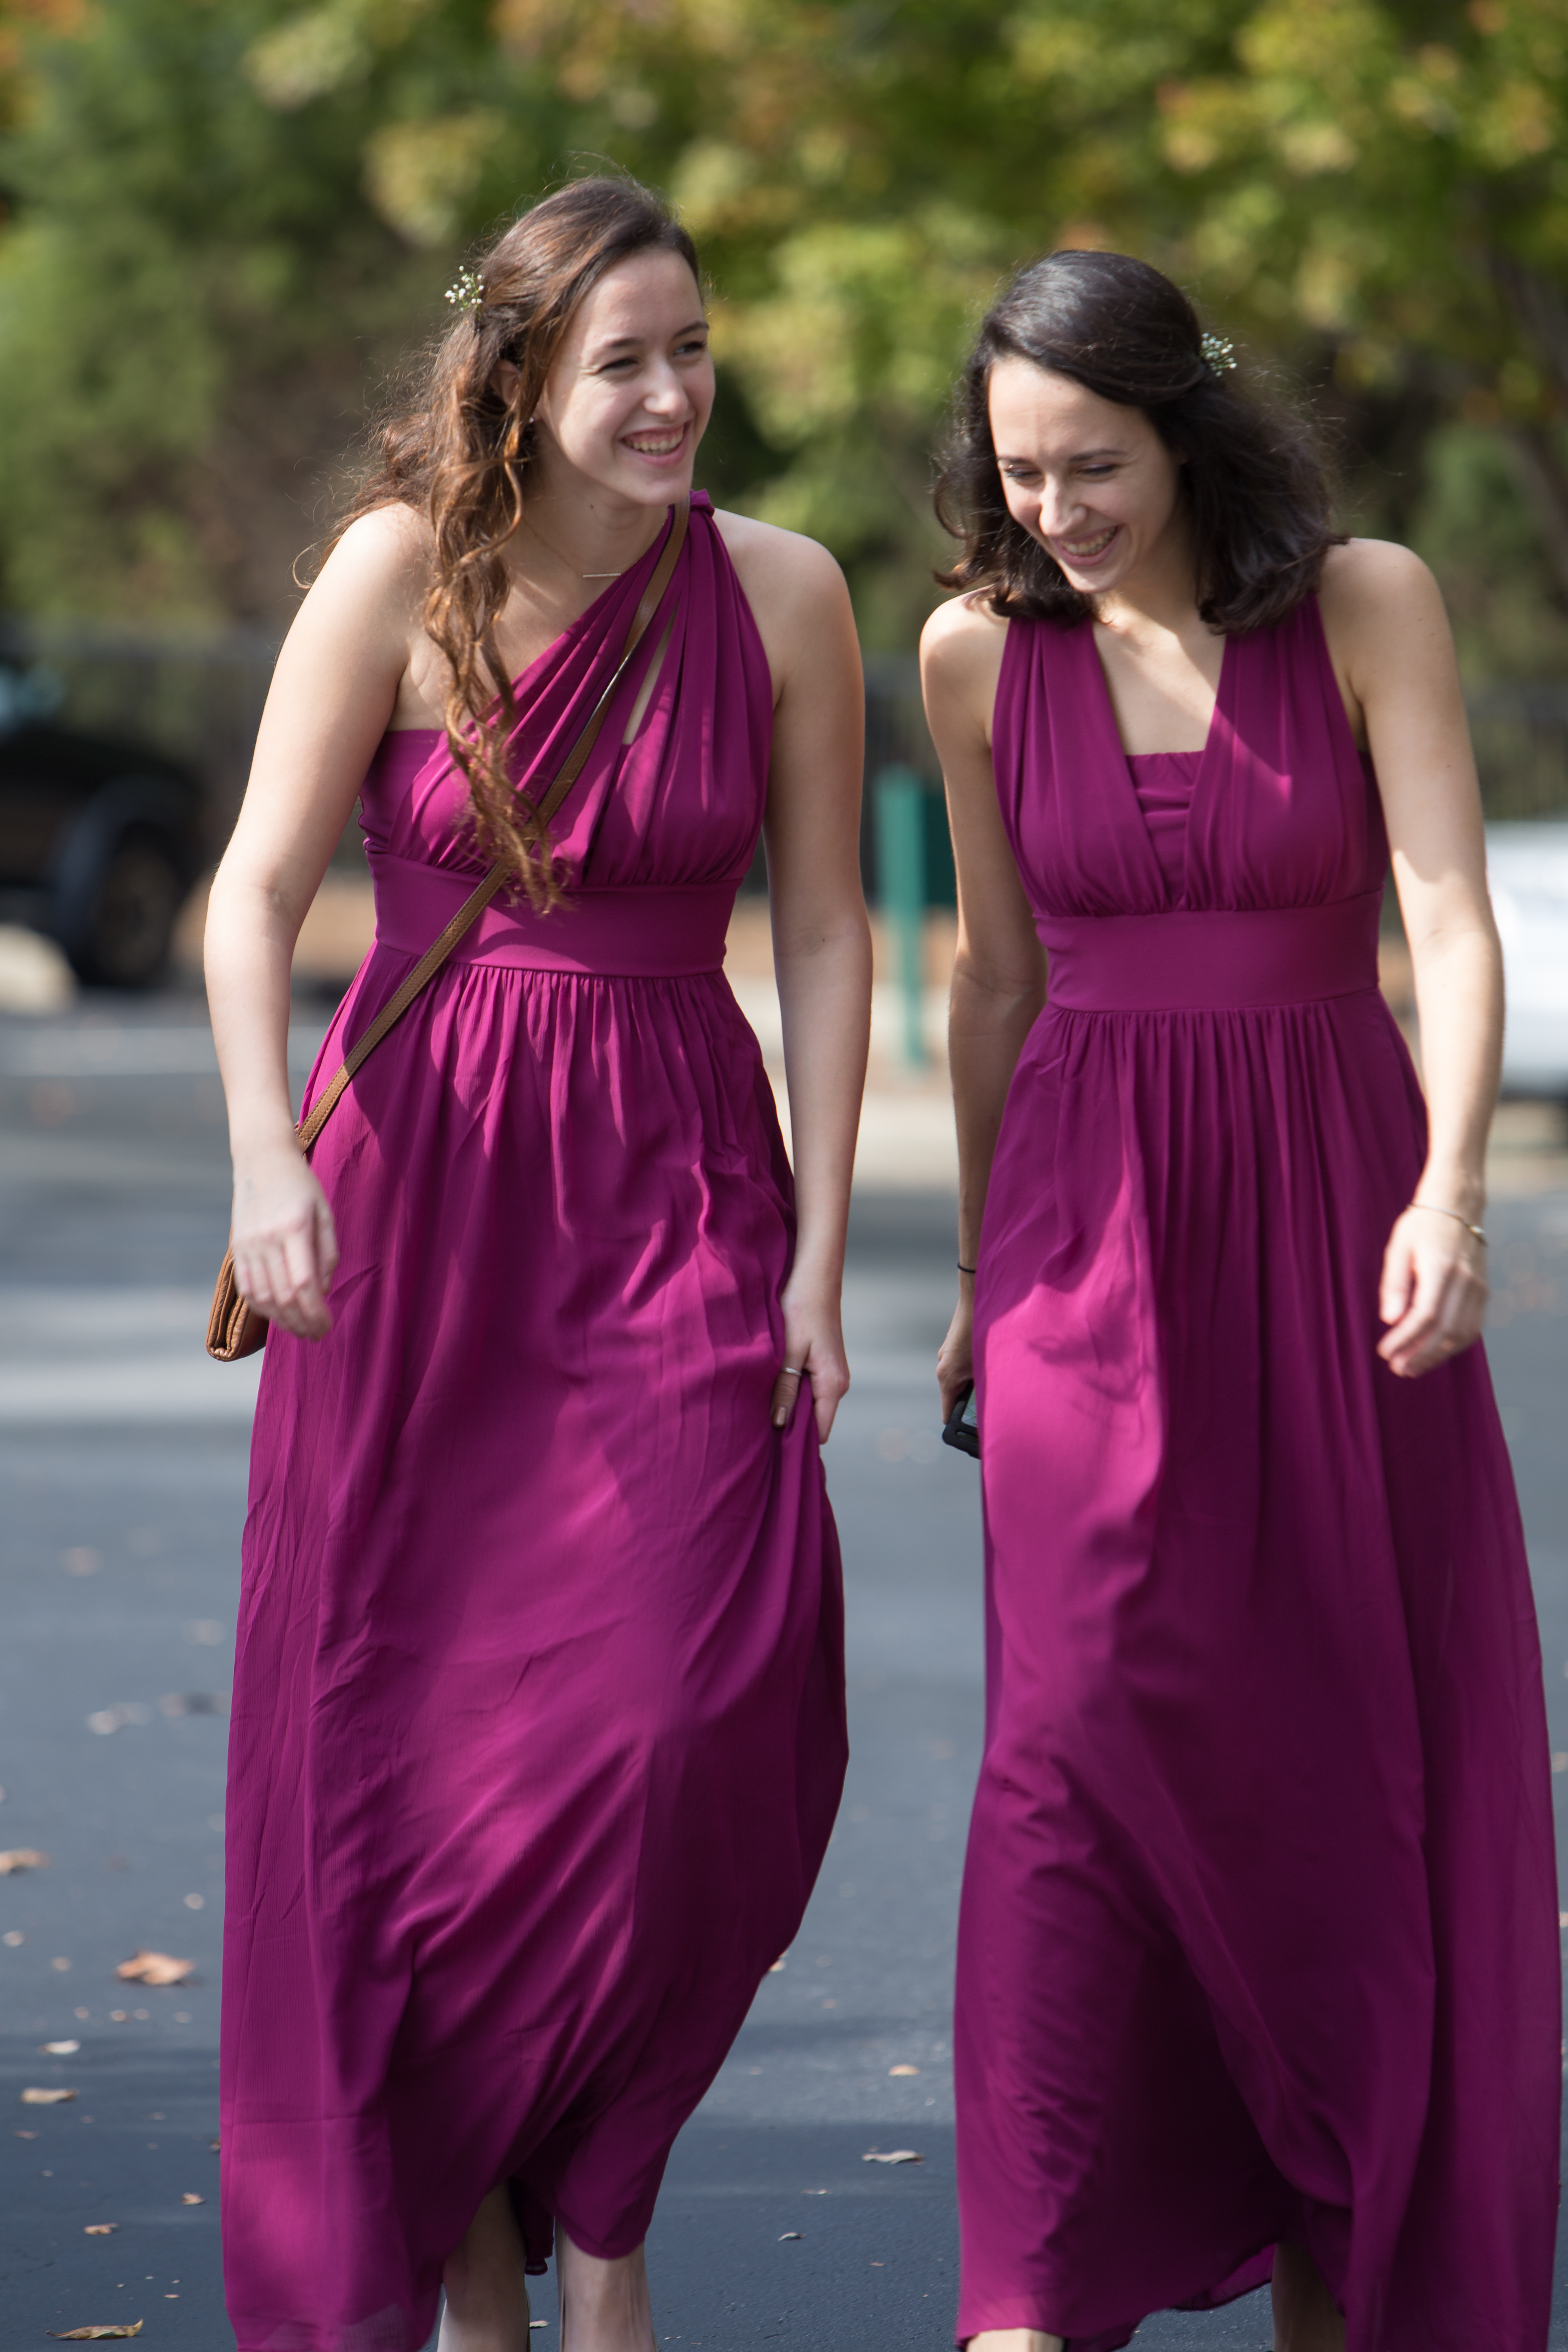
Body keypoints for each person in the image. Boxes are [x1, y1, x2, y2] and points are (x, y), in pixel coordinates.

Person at [204, 175, 870, 2352]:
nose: (675, 395)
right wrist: (264, 1163)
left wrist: (824, 1254)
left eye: (696, 350)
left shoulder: (783, 592)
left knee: (687, 1723)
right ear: (516, 377)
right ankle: (493, 2263)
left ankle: (605, 2196)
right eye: (624, 362)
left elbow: (830, 932)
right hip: (417, 1196)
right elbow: (251, 893)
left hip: (681, 1178)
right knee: (411, 1753)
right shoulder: (403, 571)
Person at [923, 248, 1559, 2352]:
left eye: (1092, 465)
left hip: (1343, 1214)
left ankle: (1341, 2264)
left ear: (1186, 429)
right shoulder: (971, 655)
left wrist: (1451, 1190)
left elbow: (1449, 917)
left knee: (1335, 1756)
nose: (1058, 511)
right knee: (1069, 1743)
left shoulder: (1367, 603)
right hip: (1083, 1242)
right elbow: (993, 982)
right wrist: (975, 1277)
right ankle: (1034, 2289)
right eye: (1022, 474)